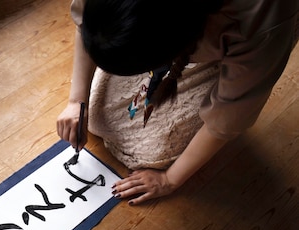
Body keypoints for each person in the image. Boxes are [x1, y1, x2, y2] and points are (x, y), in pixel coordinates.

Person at [57, 0, 298, 205]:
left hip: (234, 37)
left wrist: (169, 180)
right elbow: (89, 24)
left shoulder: (260, 24)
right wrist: (77, 101)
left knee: (146, 151)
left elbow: (226, 120)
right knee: (99, 119)